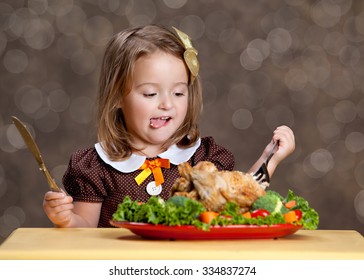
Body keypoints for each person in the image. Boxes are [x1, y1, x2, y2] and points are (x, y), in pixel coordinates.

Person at [43, 25, 295, 228]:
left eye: (178, 93)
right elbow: (83, 228)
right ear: (118, 97)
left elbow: (242, 196)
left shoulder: (203, 158)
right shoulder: (96, 167)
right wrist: (65, 219)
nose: (166, 104)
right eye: (151, 94)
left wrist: (269, 158)